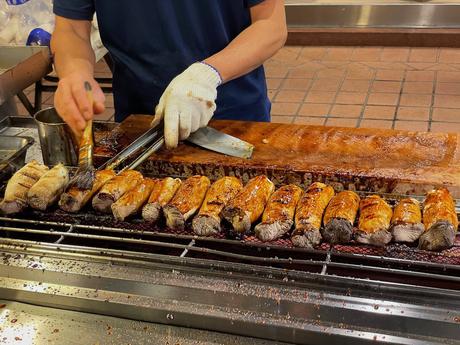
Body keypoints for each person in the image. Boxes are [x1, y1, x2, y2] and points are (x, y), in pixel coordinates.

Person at [51, 1, 287, 148]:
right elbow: (70, 28)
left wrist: (206, 75)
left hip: (234, 119)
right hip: (140, 125)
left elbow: (270, 25)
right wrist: (74, 72)